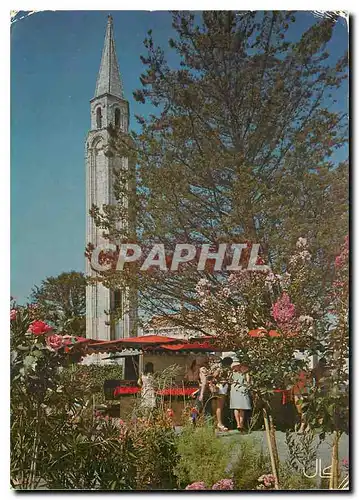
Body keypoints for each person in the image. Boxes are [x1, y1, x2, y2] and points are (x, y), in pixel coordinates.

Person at [210, 357, 232, 432]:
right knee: (220, 406)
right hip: (221, 386)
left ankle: (216, 423)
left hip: (218, 387)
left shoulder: (216, 366)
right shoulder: (221, 368)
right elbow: (214, 376)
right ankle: (220, 423)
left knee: (216, 407)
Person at [230, 361, 251, 431]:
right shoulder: (233, 373)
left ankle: (240, 424)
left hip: (241, 390)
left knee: (240, 407)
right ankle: (239, 424)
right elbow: (230, 381)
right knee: (237, 407)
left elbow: (248, 382)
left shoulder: (244, 373)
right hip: (236, 390)